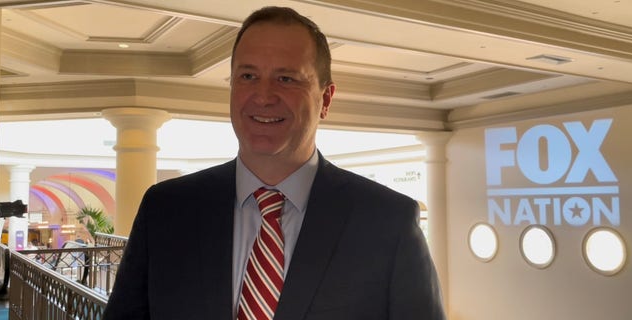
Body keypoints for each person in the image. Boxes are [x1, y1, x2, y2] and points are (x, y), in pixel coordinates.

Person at [103, 6, 445, 320]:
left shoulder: (387, 222)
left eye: (287, 78)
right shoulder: (165, 211)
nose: (263, 96)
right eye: (248, 76)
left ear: (325, 99)